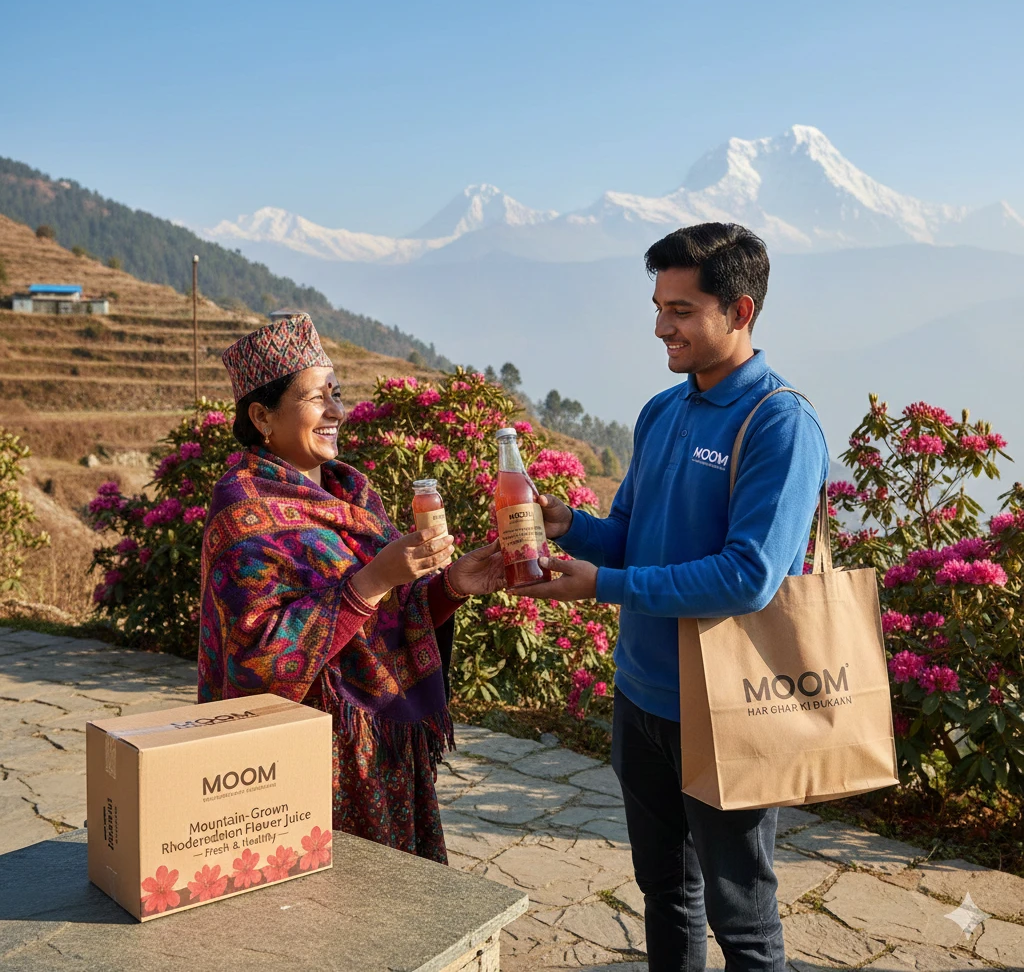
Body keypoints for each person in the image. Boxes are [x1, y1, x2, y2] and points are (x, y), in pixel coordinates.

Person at [513, 224, 829, 971]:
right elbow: (632, 534)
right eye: (659, 306)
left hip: (727, 708)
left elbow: (747, 576)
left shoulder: (780, 423)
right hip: (642, 696)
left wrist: (605, 588)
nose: (662, 326)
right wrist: (571, 527)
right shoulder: (663, 411)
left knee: (741, 917)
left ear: (740, 310)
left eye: (682, 310)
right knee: (664, 892)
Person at [198, 314, 505, 863]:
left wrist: (452, 585)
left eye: (337, 394)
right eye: (318, 398)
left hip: (380, 751)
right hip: (311, 763)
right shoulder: (243, 509)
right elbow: (257, 658)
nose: (338, 411)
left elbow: (390, 617)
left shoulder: (354, 494)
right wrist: (373, 579)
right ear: (263, 416)